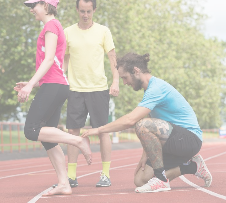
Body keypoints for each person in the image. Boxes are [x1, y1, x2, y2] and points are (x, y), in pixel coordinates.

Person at [81, 52, 212, 193]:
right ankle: (192, 166)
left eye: (125, 77)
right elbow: (153, 124)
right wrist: (146, 154)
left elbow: (131, 120)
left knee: (141, 124)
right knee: (140, 180)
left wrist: (99, 130)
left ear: (136, 71)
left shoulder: (156, 88)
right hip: (171, 141)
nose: (125, 83)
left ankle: (162, 180)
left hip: (189, 139)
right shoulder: (148, 91)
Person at [14, 0, 92, 196]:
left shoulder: (51, 26)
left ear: (46, 5)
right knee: (48, 138)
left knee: (31, 130)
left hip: (55, 85)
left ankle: (76, 140)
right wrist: (35, 81)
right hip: (54, 84)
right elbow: (53, 63)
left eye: (35, 5)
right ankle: (64, 184)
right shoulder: (53, 26)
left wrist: (30, 85)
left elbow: (49, 59)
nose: (32, 9)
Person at [62, 0, 119, 188]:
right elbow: (65, 60)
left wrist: (116, 81)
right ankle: (71, 176)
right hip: (75, 88)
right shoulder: (68, 32)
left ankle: (105, 174)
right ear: (77, 10)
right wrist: (61, 80)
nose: (85, 15)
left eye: (89, 11)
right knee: (72, 132)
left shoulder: (103, 31)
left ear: (94, 10)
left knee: (103, 131)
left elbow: (113, 59)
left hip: (98, 88)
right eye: (82, 11)